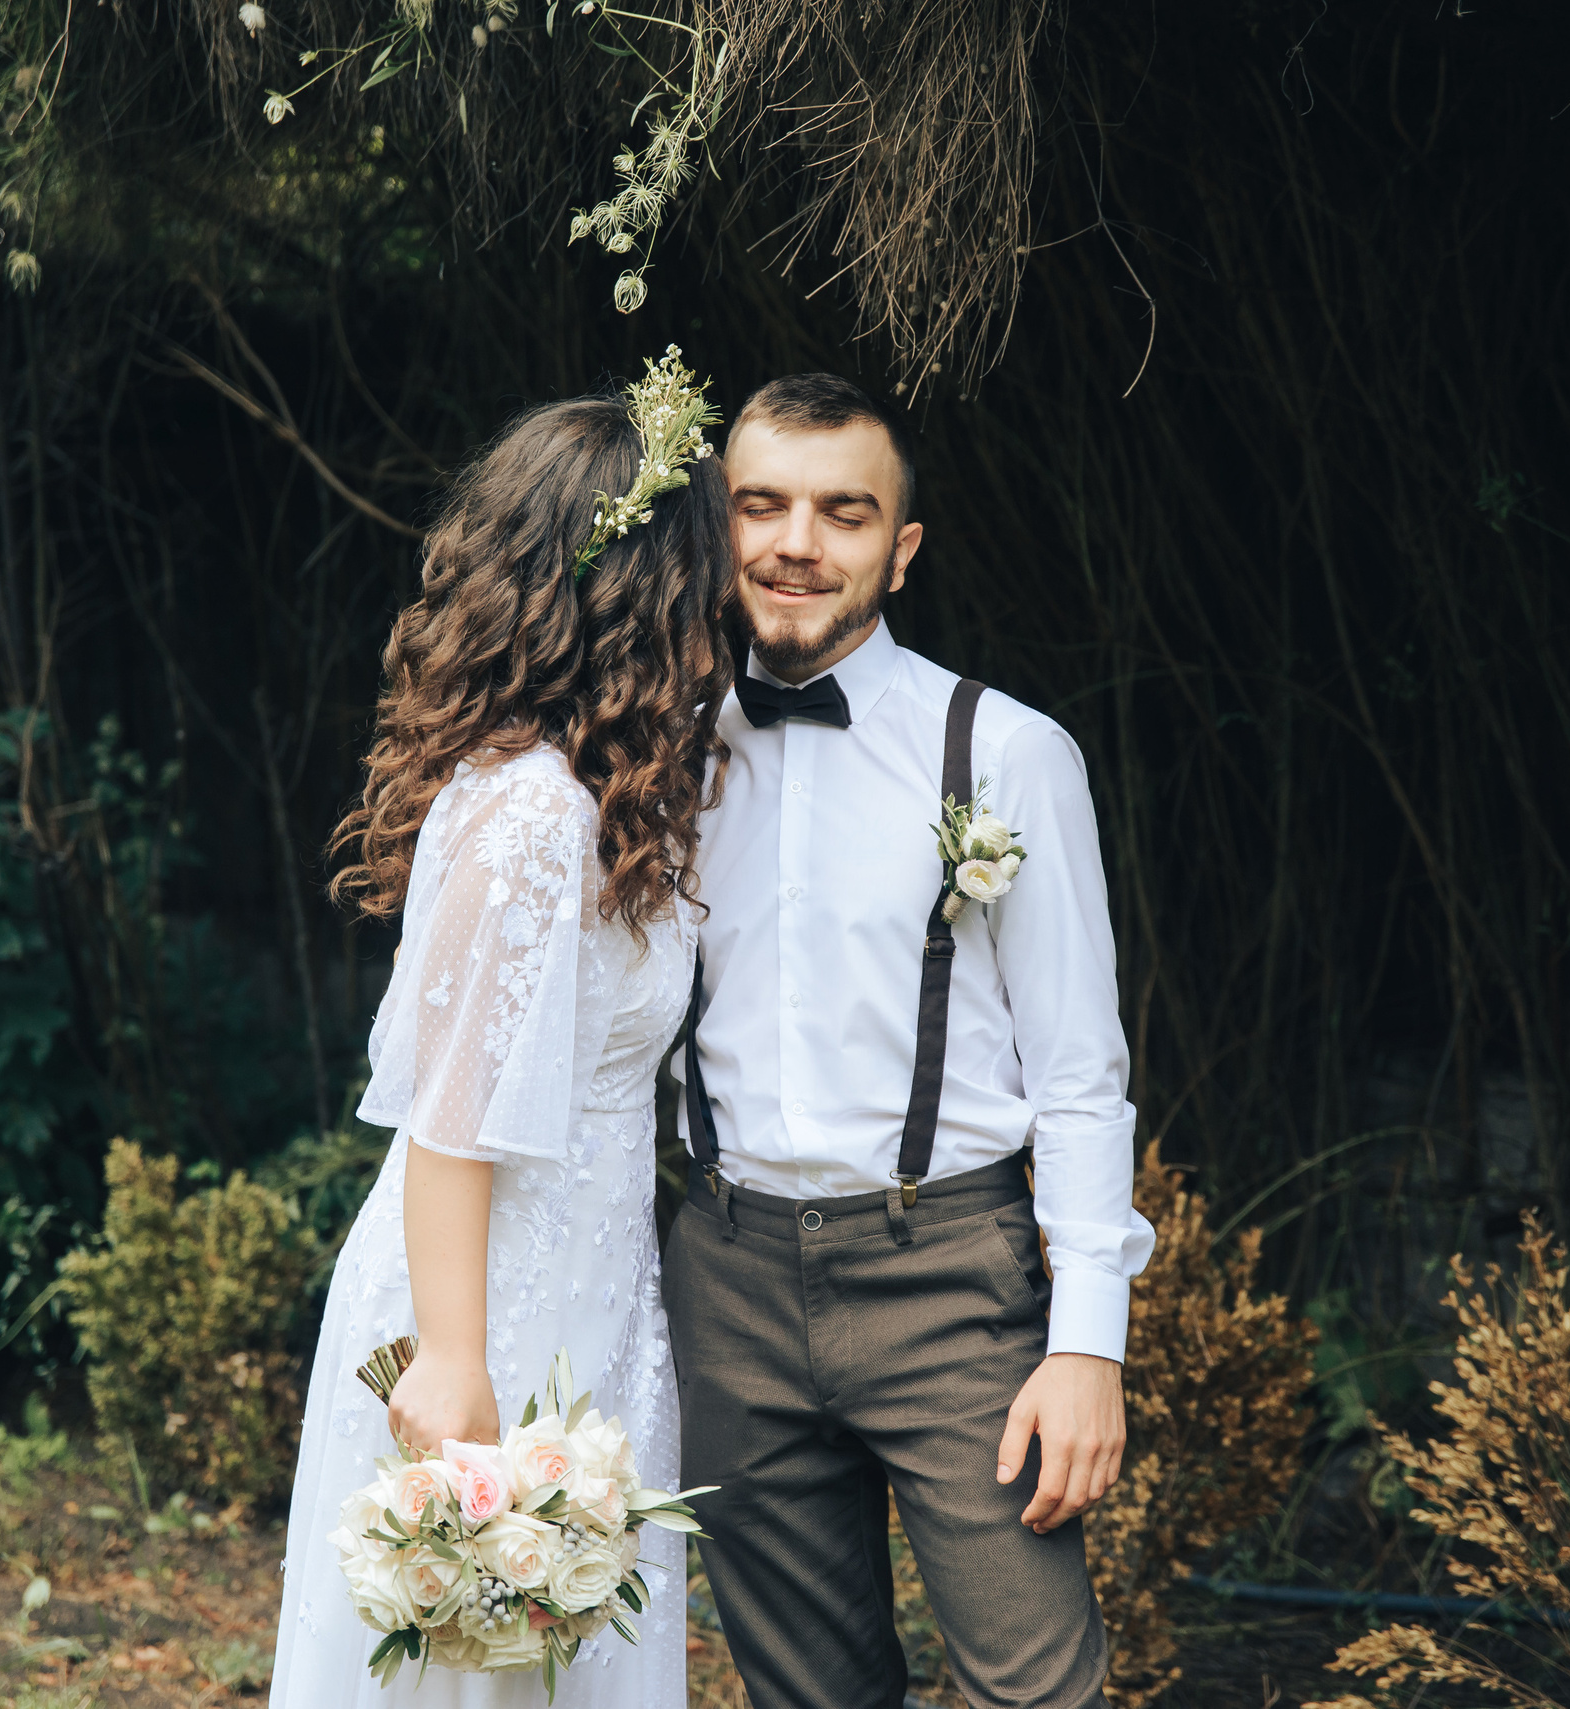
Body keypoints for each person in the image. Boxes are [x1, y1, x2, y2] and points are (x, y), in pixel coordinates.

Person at [667, 373, 1158, 1707]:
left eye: (843, 511)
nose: (796, 542)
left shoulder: (1005, 753)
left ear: (903, 546)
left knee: (1034, 1689)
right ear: (717, 522)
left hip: (951, 1278)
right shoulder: (655, 748)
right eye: (761, 504)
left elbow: (1077, 1071)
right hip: (728, 1277)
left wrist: (1087, 1342)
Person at [269, 359, 734, 1709]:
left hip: (587, 1290)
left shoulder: (600, 794)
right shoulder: (536, 819)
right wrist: (457, 1365)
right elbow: (452, 1118)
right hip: (491, 1310)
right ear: (644, 597)